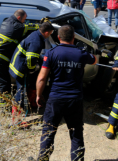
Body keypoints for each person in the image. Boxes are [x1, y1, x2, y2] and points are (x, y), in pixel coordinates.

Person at [36, 25, 98, 161]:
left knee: (48, 132)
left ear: (58, 37)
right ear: (74, 38)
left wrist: (38, 95)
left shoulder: (51, 53)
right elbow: (95, 60)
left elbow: (41, 78)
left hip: (55, 99)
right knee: (76, 134)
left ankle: (43, 159)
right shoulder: (81, 53)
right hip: (74, 100)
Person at [0, 9, 45, 108]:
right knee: (3, 84)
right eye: (24, 19)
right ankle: (4, 108)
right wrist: (42, 26)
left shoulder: (7, 21)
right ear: (19, 18)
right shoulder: (16, 26)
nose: (24, 22)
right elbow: (29, 27)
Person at [9, 22, 54, 123]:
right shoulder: (36, 41)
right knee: (20, 93)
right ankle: (16, 120)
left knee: (25, 88)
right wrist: (33, 68)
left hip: (17, 64)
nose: (50, 35)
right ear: (46, 32)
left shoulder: (36, 34)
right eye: (50, 33)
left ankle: (31, 104)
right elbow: (30, 58)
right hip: (20, 69)